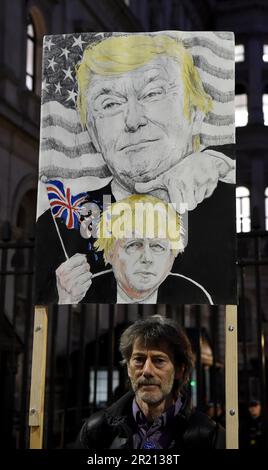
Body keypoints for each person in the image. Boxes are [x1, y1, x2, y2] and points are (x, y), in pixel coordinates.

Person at [35, 33, 236, 304]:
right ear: (92, 132)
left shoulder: (226, 205)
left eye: (153, 93)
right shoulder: (58, 225)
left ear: (196, 113)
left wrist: (220, 160)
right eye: (110, 104)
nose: (133, 120)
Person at [76, 315, 225, 449]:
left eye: (159, 360)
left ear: (180, 369)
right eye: (139, 360)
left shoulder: (208, 436)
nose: (147, 370)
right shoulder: (97, 430)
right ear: (128, 368)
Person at [56, 194, 213, 304]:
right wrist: (66, 300)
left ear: (172, 255)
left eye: (157, 246)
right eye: (133, 245)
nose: (147, 258)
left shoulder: (192, 294)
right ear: (110, 252)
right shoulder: (84, 291)